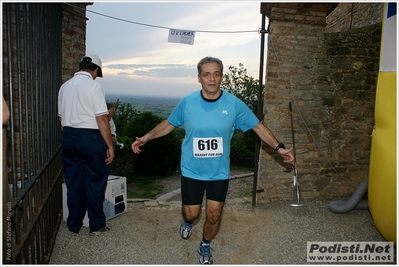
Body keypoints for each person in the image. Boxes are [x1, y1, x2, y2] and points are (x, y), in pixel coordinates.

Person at [131, 56, 294, 265]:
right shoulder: (188, 102)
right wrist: (145, 137)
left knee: (214, 215)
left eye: (216, 74)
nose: (212, 79)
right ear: (199, 78)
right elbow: (168, 124)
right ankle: (188, 222)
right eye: (206, 74)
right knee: (192, 213)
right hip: (191, 170)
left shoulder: (234, 105)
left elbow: (258, 127)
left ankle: (205, 245)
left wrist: (279, 147)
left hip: (219, 172)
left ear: (222, 77)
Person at [58, 54, 114, 236]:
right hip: (90, 137)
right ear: (96, 70)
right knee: (95, 182)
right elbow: (102, 119)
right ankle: (96, 225)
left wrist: (70, 136)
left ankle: (73, 226)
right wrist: (109, 146)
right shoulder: (94, 86)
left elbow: (61, 119)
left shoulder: (64, 87)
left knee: (74, 183)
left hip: (68, 135)